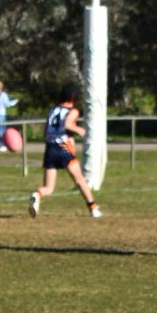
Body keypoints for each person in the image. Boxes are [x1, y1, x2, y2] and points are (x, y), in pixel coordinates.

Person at [29, 84, 102, 218]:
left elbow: (45, 131)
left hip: (50, 148)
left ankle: (37, 195)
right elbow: (67, 124)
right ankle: (93, 208)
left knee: (48, 188)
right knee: (80, 180)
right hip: (63, 147)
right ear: (73, 98)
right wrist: (80, 130)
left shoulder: (52, 110)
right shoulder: (73, 111)